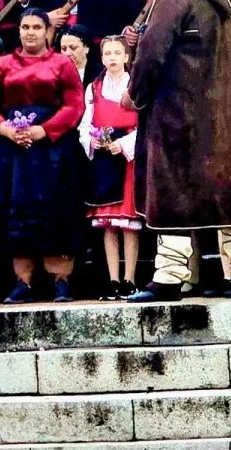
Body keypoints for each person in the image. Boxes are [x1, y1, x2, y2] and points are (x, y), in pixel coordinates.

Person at [126, 0, 231, 301]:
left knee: (174, 192)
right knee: (228, 194)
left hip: (178, 114)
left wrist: (135, 95)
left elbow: (151, 55)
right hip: (225, 115)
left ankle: (169, 277)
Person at [0, 7, 85, 303]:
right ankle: (23, 282)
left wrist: (43, 130)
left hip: (53, 151)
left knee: (57, 211)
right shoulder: (3, 65)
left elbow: (75, 106)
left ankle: (61, 280)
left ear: (47, 31)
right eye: (25, 27)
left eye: (37, 27)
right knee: (17, 212)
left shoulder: (62, 64)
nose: (30, 32)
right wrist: (4, 129)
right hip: (13, 152)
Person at [79, 35, 141, 298]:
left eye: (117, 53)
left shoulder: (135, 85)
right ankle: (113, 279)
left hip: (127, 160)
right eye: (107, 53)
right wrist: (93, 140)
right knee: (108, 224)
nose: (112, 58)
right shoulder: (94, 88)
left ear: (126, 57)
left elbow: (145, 123)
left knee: (128, 222)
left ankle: (130, 279)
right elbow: (85, 124)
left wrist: (124, 144)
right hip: (104, 160)